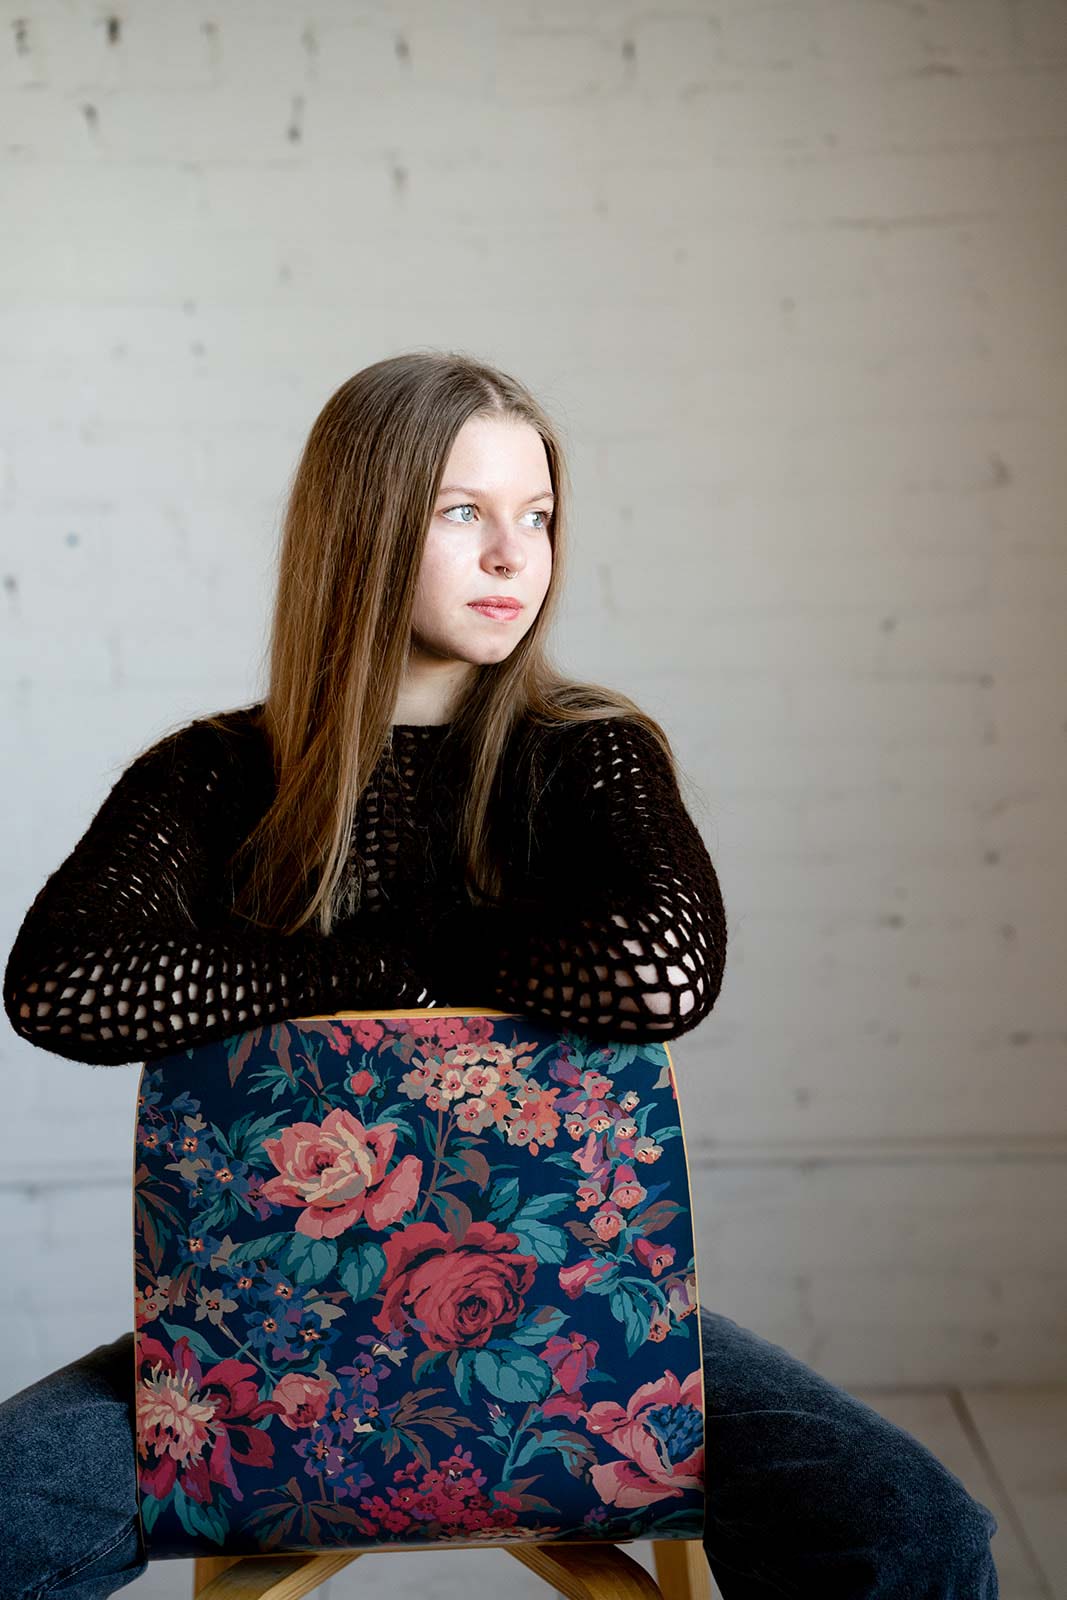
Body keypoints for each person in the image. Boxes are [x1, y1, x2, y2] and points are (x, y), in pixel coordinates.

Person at [0, 353, 1000, 1597]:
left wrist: (401, 960)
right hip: (257, 1330)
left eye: (535, 516)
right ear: (362, 528)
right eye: (463, 512)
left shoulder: (584, 755)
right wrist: (373, 966)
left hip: (582, 1318)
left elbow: (662, 970)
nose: (512, 556)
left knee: (915, 1531)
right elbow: (65, 984)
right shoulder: (214, 775)